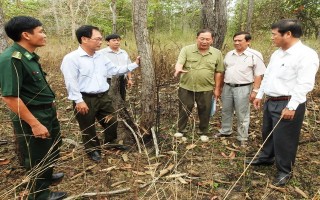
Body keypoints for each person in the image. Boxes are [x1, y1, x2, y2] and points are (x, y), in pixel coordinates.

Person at [246, 19, 319, 186]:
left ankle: (284, 170)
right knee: (268, 132)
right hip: (271, 100)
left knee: (285, 139)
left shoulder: (306, 55)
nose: (272, 38)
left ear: (288, 34)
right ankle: (266, 158)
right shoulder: (277, 53)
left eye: (274, 34)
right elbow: (268, 75)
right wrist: (259, 94)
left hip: (288, 102)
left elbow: (304, 84)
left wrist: (291, 106)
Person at [0, 16, 66, 200]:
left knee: (51, 147)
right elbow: (10, 97)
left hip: (45, 111)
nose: (44, 35)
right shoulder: (11, 59)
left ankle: (45, 177)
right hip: (32, 115)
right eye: (41, 31)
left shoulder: (28, 56)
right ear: (26, 35)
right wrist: (35, 124)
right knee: (36, 154)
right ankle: (40, 194)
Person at [60, 25, 140, 162]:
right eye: (97, 39)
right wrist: (78, 100)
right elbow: (71, 81)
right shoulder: (72, 58)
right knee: (88, 126)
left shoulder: (101, 57)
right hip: (85, 98)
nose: (100, 42)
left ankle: (109, 143)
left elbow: (114, 70)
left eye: (101, 39)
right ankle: (92, 150)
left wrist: (134, 64)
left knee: (112, 121)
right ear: (84, 39)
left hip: (103, 97)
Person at [215, 31, 266, 146]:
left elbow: (258, 74)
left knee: (242, 112)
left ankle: (242, 136)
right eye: (235, 40)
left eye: (240, 40)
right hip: (228, 86)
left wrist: (255, 91)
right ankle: (225, 131)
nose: (237, 43)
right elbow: (224, 71)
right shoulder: (229, 54)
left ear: (248, 42)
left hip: (243, 88)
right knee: (226, 110)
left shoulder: (255, 55)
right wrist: (220, 87)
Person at [174, 29, 224, 136]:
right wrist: (178, 69)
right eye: (202, 39)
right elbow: (179, 63)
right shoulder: (186, 50)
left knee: (205, 111)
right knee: (184, 109)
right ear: (197, 38)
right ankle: (181, 130)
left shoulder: (217, 53)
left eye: (207, 39)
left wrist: (217, 88)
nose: (204, 41)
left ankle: (203, 131)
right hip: (186, 87)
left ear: (212, 40)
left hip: (206, 88)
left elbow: (219, 72)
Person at [98, 33, 134, 100]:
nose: (117, 42)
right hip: (108, 80)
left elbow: (128, 66)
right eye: (114, 40)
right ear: (108, 42)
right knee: (109, 98)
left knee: (122, 96)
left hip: (122, 79)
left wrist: (130, 79)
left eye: (118, 40)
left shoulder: (124, 52)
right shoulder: (102, 53)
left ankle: (122, 110)